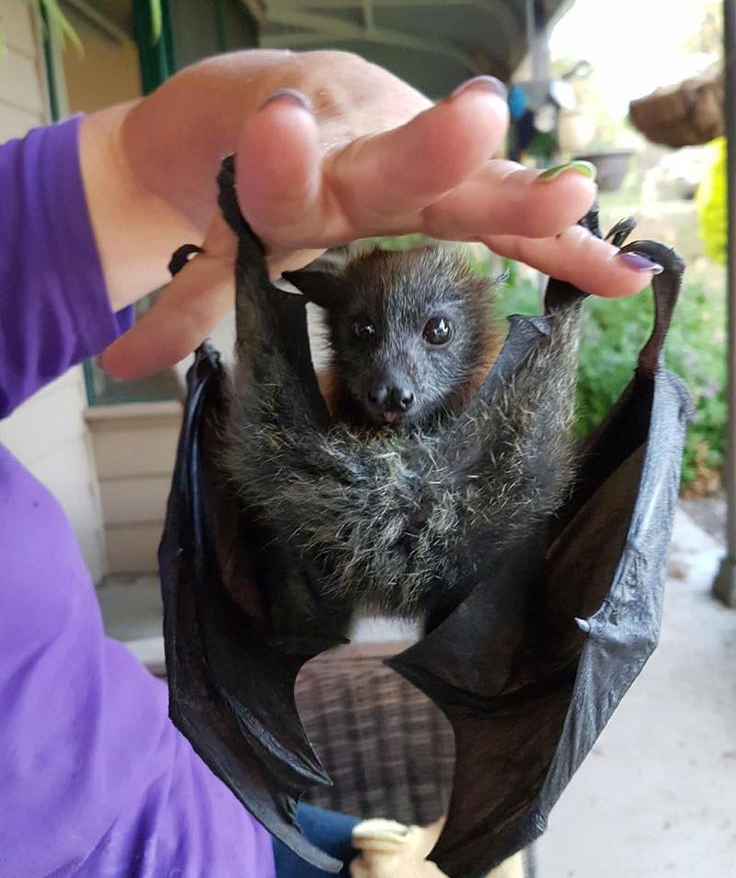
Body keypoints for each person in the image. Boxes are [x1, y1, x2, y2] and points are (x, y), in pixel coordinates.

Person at [0, 49, 661, 878]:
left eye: (434, 336)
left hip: (202, 807)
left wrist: (123, 169)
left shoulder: (493, 443)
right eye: (362, 335)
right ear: (332, 329)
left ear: (474, 329)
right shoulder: (304, 433)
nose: (391, 376)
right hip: (239, 772)